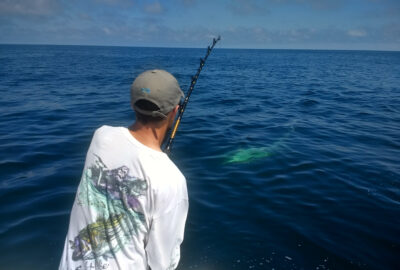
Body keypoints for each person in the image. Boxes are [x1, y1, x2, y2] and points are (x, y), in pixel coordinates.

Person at [59, 70, 189, 270]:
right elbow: (163, 263)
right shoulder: (172, 180)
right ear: (175, 111)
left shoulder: (101, 137)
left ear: (132, 103)